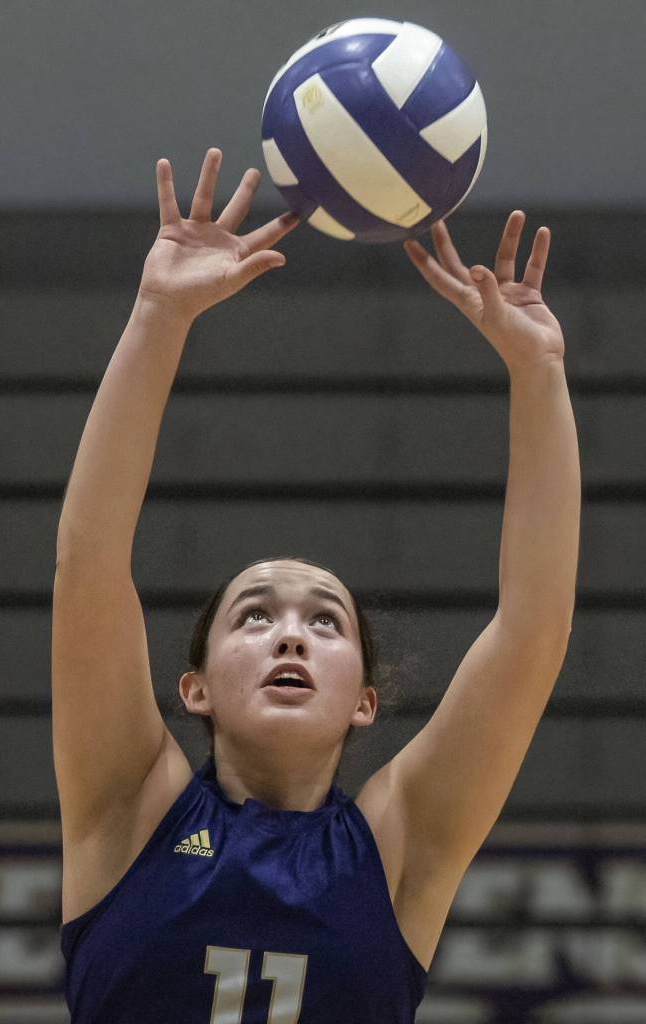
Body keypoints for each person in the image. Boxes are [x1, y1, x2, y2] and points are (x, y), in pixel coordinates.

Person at [53, 148, 580, 1022]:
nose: (291, 635)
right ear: (196, 689)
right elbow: (90, 560)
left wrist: (539, 374)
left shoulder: (396, 847)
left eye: (325, 623)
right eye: (254, 617)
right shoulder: (127, 809)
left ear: (365, 701)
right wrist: (157, 316)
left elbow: (533, 630)